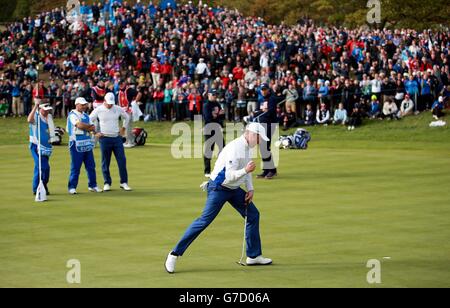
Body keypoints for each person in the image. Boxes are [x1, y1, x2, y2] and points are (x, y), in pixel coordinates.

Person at [165, 123, 273, 274]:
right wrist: (245, 170)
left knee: (253, 215)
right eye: (260, 138)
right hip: (219, 188)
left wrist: (250, 189)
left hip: (234, 189)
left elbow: (247, 170)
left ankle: (253, 256)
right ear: (252, 134)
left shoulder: (247, 147)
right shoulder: (235, 148)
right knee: (204, 220)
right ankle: (174, 254)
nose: (260, 142)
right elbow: (229, 177)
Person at [89, 92, 132, 192]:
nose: (110, 105)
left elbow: (127, 117)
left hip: (117, 138)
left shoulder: (117, 108)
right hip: (104, 138)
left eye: (111, 103)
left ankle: (123, 182)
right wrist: (94, 132)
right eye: (109, 103)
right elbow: (89, 120)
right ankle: (107, 182)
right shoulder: (98, 109)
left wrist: (124, 128)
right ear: (104, 100)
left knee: (122, 161)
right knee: (105, 162)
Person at [67, 97, 102, 195]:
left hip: (87, 143)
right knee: (76, 167)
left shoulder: (86, 116)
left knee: (91, 166)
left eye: (85, 105)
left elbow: (93, 127)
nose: (84, 106)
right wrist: (89, 128)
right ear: (76, 104)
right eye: (82, 105)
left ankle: (93, 185)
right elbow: (79, 125)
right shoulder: (72, 115)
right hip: (76, 144)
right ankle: (72, 187)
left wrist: (93, 131)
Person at [27, 102, 54, 195]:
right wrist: (35, 106)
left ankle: (39, 187)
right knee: (44, 167)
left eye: (48, 110)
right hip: (36, 146)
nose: (47, 112)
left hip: (46, 146)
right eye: (45, 110)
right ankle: (40, 186)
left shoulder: (49, 117)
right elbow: (29, 120)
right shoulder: (36, 116)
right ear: (40, 109)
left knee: (39, 168)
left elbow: (50, 130)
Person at [257, 83, 279, 180]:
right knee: (262, 148)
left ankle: (272, 170)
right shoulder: (261, 99)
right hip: (262, 125)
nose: (263, 91)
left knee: (265, 147)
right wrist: (259, 112)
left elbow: (270, 112)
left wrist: (261, 112)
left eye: (265, 89)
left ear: (268, 90)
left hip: (270, 125)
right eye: (262, 89)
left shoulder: (272, 99)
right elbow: (260, 111)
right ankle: (267, 170)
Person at [203, 89, 224, 177]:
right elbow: (208, 118)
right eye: (213, 94)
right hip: (209, 128)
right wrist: (218, 117)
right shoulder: (206, 105)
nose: (215, 96)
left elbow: (222, 115)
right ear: (209, 95)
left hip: (217, 129)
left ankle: (222, 168)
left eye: (216, 94)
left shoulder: (217, 104)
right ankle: (207, 171)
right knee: (209, 150)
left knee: (223, 149)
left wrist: (220, 118)